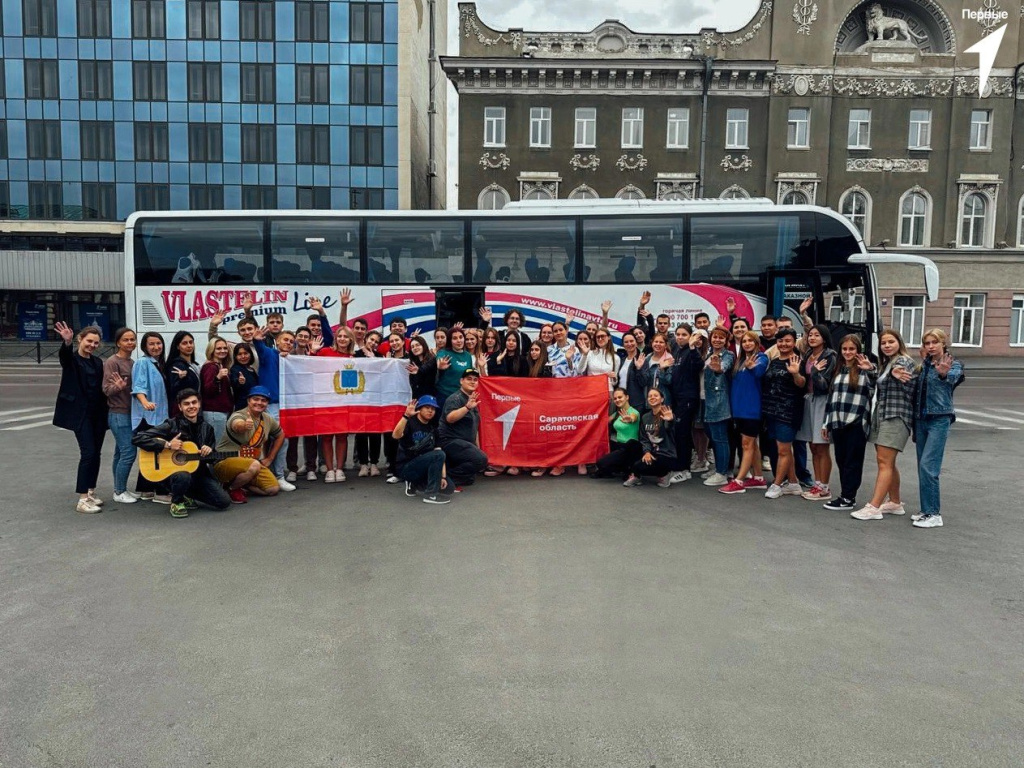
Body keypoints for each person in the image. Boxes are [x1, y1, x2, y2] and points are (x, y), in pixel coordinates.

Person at [131, 389, 232, 517]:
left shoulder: (207, 428)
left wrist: (210, 451)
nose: (191, 406)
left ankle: (185, 494)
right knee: (183, 476)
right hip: (172, 475)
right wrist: (167, 445)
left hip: (198, 475)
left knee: (223, 502)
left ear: (199, 404)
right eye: (186, 404)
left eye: (194, 402)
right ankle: (177, 502)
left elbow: (212, 459)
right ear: (180, 407)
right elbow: (137, 438)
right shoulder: (171, 425)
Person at [852, 329, 917, 521]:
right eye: (883, 343)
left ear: (899, 343)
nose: (887, 346)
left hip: (896, 415)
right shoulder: (888, 363)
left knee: (884, 462)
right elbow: (883, 383)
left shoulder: (903, 362)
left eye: (891, 342)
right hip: (883, 414)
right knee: (887, 461)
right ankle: (895, 503)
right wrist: (871, 370)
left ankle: (874, 506)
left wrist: (890, 376)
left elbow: (905, 384)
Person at [53, 322, 109, 514]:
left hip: (97, 413)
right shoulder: (73, 360)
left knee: (97, 453)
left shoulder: (97, 362)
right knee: (88, 453)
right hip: (80, 413)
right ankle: (82, 499)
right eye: (89, 341)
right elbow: (64, 357)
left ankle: (91, 491)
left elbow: (101, 388)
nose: (92, 345)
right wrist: (66, 342)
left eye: (95, 343)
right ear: (80, 340)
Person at [912, 329, 964, 529]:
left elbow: (952, 378)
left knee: (928, 466)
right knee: (921, 467)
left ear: (943, 343)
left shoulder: (952, 363)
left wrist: (943, 374)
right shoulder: (925, 365)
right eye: (927, 343)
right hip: (921, 419)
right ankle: (926, 510)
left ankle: (934, 513)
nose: (931, 346)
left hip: (939, 419)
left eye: (935, 342)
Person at [821, 335, 876, 512]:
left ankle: (848, 497)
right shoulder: (838, 369)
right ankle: (845, 495)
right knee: (841, 460)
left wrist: (870, 370)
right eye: (844, 349)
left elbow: (875, 386)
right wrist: (826, 423)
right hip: (838, 421)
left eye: (851, 349)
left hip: (856, 422)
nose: (847, 352)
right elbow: (831, 399)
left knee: (853, 461)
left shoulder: (864, 369)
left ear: (858, 350)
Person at [213, 385, 283, 504]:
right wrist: (244, 425)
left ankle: (243, 483)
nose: (259, 403)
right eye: (255, 399)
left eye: (263, 400)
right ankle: (231, 489)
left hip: (249, 463)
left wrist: (270, 458)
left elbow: (280, 435)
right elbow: (236, 424)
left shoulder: (268, 419)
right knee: (254, 465)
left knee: (273, 489)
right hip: (225, 461)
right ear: (248, 400)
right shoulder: (239, 415)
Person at [719, 331, 769, 494]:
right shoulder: (738, 361)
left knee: (746, 444)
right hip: (738, 410)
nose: (747, 343)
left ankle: (739, 481)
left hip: (751, 410)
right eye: (744, 341)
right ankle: (759, 478)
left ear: (756, 342)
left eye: (750, 341)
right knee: (752, 444)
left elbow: (760, 372)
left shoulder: (761, 357)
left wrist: (752, 367)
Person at [794, 324, 838, 501]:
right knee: (813, 445)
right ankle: (817, 483)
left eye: (816, 335)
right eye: (810, 335)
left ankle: (824, 487)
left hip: (822, 400)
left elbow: (824, 384)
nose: (812, 338)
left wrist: (814, 372)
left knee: (822, 445)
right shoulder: (808, 355)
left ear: (824, 338)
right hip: (809, 399)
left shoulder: (829, 355)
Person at [761, 328, 805, 499]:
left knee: (783, 450)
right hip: (772, 411)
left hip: (788, 412)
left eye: (787, 341)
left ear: (794, 342)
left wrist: (795, 373)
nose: (783, 344)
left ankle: (777, 484)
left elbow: (801, 384)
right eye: (780, 341)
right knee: (784, 450)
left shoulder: (798, 361)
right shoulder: (774, 360)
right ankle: (793, 483)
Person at [252, 327, 297, 491]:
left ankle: (274, 475)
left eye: (291, 342)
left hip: (285, 405)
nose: (288, 343)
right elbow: (260, 349)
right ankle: (275, 476)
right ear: (277, 341)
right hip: (270, 405)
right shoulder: (269, 353)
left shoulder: (291, 359)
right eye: (285, 340)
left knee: (280, 440)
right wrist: (257, 340)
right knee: (277, 439)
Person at [312, 326, 356, 483]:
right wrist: (313, 352)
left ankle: (340, 468)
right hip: (325, 400)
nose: (342, 339)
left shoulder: (353, 357)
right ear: (336, 338)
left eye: (346, 336)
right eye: (340, 336)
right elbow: (311, 369)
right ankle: (330, 469)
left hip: (344, 401)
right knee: (326, 436)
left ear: (351, 339)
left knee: (342, 436)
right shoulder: (324, 352)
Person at [132, 331, 171, 503]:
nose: (156, 347)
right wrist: (145, 401)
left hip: (159, 415)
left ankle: (145, 489)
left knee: (150, 453)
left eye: (158, 343)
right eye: (151, 344)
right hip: (148, 416)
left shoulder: (158, 363)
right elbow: (138, 386)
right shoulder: (143, 362)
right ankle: (161, 492)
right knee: (158, 452)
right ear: (145, 346)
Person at [392, 395, 451, 504]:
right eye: (427, 407)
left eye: (433, 409)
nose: (430, 411)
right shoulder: (410, 422)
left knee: (449, 488)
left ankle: (417, 483)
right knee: (438, 454)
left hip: (424, 465)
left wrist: (442, 477)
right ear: (419, 408)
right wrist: (405, 416)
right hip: (407, 466)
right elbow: (395, 435)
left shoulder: (433, 429)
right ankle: (430, 495)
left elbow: (439, 452)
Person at [102, 327, 138, 505]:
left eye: (132, 339)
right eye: (126, 340)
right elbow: (106, 390)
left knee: (120, 453)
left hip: (129, 413)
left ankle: (120, 487)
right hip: (118, 413)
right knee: (129, 453)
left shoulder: (132, 362)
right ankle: (119, 491)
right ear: (118, 343)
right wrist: (118, 386)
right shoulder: (112, 362)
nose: (130, 343)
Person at [437, 369, 488, 490]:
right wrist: (466, 407)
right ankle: (444, 479)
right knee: (481, 460)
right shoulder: (455, 398)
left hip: (463, 443)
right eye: (469, 379)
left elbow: (474, 427)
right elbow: (450, 418)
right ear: (461, 381)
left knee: (470, 477)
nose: (472, 382)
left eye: (475, 380)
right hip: (449, 441)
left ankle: (448, 472)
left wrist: (477, 447)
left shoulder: (472, 399)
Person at [667, 324, 704, 484]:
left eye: (684, 334)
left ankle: (684, 469)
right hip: (676, 398)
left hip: (687, 398)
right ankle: (681, 466)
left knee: (682, 433)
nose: (680, 337)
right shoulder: (677, 350)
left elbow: (699, 366)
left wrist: (693, 346)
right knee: (679, 433)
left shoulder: (692, 350)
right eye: (678, 334)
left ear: (690, 336)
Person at [622, 388, 679, 488]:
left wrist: (670, 420)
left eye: (655, 395)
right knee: (631, 444)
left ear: (662, 399)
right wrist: (647, 452)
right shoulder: (645, 417)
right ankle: (636, 476)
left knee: (640, 466)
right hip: (652, 452)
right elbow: (644, 439)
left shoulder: (667, 414)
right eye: (650, 396)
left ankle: (664, 475)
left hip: (665, 454)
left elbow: (669, 428)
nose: (652, 397)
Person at [702, 327, 735, 486]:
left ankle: (722, 473)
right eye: (715, 337)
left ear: (726, 341)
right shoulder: (708, 354)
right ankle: (718, 468)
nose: (717, 340)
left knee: (720, 438)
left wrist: (719, 369)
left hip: (718, 401)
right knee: (712, 435)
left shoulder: (728, 355)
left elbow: (724, 367)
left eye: (721, 338)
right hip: (705, 400)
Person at [593, 388, 642, 480]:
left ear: (627, 397)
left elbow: (633, 417)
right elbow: (604, 421)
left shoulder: (634, 412)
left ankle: (627, 468)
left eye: (620, 397)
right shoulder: (617, 414)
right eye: (615, 398)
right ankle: (622, 468)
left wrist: (630, 419)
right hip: (619, 446)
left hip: (630, 449)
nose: (617, 400)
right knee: (601, 463)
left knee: (601, 463)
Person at [199, 336, 234, 443]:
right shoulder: (210, 367)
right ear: (211, 350)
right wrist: (218, 377)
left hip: (221, 412)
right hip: (214, 412)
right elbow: (207, 390)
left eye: (225, 348)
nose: (222, 351)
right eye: (218, 348)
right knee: (217, 445)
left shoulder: (220, 365)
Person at [165, 331, 201, 417]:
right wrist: (182, 378)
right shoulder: (177, 365)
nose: (189, 345)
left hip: (193, 408)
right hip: (182, 410)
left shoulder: (193, 364)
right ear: (178, 346)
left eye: (191, 342)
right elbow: (175, 389)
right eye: (184, 343)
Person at [436, 327, 474, 402]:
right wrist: (440, 366)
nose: (459, 340)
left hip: (462, 396)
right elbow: (439, 361)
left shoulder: (468, 355)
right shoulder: (444, 352)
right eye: (455, 338)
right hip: (445, 396)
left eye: (461, 337)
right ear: (450, 340)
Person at [615, 332, 648, 412]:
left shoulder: (642, 359)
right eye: (626, 342)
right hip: (621, 403)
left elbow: (644, 382)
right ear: (623, 345)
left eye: (631, 341)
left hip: (636, 404)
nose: (629, 344)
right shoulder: (621, 360)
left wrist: (639, 369)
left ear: (636, 343)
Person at [229, 343, 258, 411]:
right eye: (239, 354)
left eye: (246, 353)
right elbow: (234, 382)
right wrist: (239, 382)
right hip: (243, 407)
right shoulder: (235, 369)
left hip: (255, 406)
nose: (243, 356)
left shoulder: (252, 369)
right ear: (235, 356)